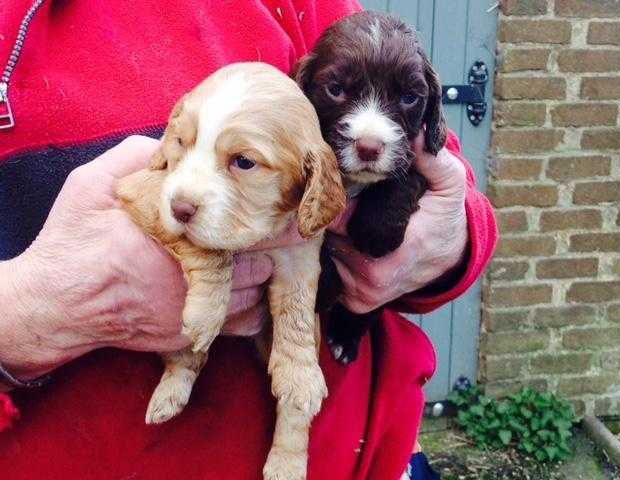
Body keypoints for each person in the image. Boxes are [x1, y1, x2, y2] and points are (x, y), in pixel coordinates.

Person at [0, 1, 497, 479]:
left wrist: (449, 239)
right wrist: (32, 311)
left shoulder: (311, 12)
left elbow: (450, 182)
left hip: (350, 451)